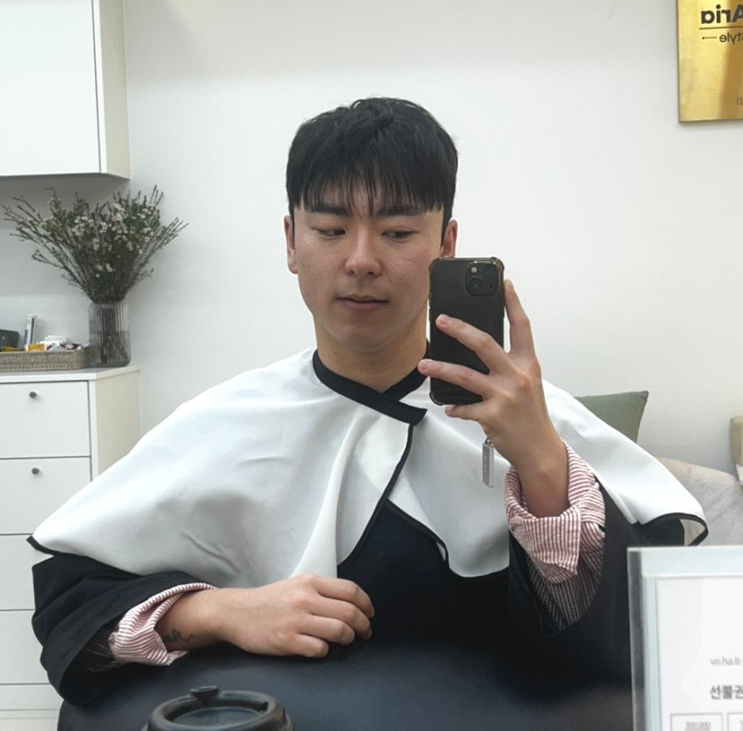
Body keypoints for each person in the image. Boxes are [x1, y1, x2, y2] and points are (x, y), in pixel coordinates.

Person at [30, 97, 705, 708]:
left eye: (398, 232)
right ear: (291, 243)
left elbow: (638, 630)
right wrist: (217, 611)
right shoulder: (224, 423)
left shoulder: (532, 417)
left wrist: (542, 463)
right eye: (329, 230)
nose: (360, 260)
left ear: (446, 245)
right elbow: (73, 606)